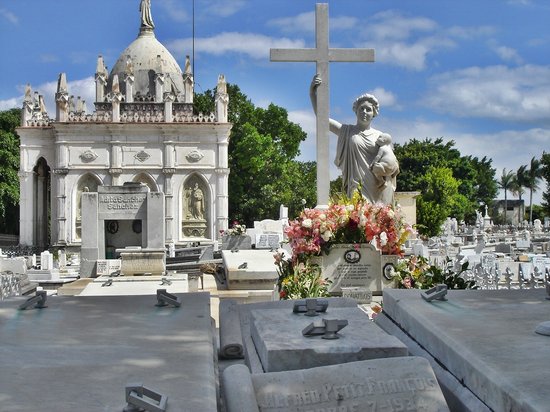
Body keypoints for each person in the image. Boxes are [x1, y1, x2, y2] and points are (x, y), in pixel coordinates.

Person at [309, 74, 398, 204]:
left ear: (374, 114)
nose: (365, 112)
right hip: (355, 184)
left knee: (375, 219)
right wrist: (312, 93)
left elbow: (393, 165)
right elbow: (322, 118)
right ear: (356, 111)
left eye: (368, 110)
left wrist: (384, 168)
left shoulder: (381, 136)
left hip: (376, 186)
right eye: (361, 108)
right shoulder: (347, 131)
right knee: (356, 217)